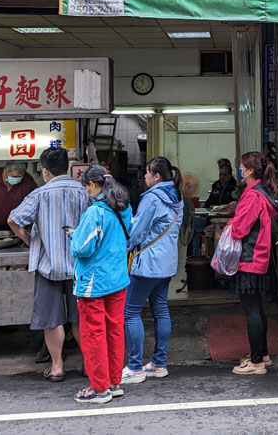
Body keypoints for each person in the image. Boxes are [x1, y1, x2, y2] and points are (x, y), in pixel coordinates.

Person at [7, 148, 89, 384]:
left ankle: (56, 367)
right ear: (67, 167)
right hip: (80, 266)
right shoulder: (84, 192)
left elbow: (13, 220)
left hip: (48, 265)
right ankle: (87, 363)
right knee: (80, 317)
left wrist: (30, 240)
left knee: (52, 319)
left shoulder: (39, 194)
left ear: (45, 171)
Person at [69, 166, 134, 404]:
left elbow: (81, 248)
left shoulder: (95, 212)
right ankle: (114, 382)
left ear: (93, 185)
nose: (86, 191)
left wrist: (73, 236)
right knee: (115, 330)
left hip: (94, 283)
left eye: (86, 186)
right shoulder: (124, 208)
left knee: (93, 334)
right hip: (118, 279)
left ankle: (99, 388)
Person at [121, 157, 184, 385]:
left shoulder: (152, 198)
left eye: (147, 173)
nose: (144, 177)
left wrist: (124, 246)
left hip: (146, 264)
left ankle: (135, 367)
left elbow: (136, 232)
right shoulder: (177, 197)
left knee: (130, 312)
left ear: (157, 176)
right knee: (161, 310)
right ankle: (159, 363)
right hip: (167, 264)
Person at [229, 151, 278, 376]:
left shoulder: (252, 196)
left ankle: (256, 362)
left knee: (252, 310)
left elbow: (241, 229)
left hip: (249, 258)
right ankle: (263, 354)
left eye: (241, 166)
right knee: (257, 308)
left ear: (250, 171)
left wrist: (232, 222)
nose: (239, 170)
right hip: (260, 257)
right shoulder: (262, 192)